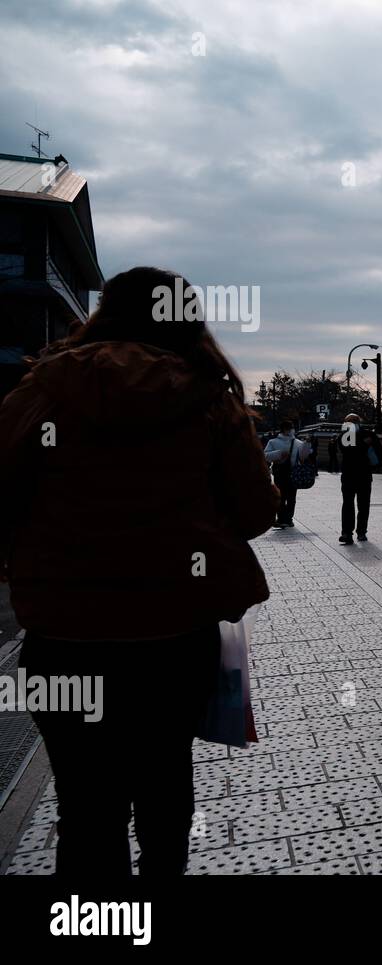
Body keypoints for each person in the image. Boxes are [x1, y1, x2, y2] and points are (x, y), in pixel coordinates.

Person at [0, 266, 278, 876]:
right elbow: (258, 513)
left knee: (86, 807)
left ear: (104, 314)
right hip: (173, 641)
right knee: (163, 787)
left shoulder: (37, 395)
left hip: (63, 642)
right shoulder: (208, 401)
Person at [339, 413, 380, 544]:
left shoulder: (350, 435)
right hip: (361, 474)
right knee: (359, 504)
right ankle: (355, 532)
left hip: (353, 474)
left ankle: (351, 532)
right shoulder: (356, 435)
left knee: (352, 504)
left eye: (352, 421)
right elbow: (349, 451)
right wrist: (364, 444)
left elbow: (378, 453)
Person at [264, 420, 309, 528]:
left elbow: (303, 458)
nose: (292, 430)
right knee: (281, 496)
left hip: (294, 472)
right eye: (290, 428)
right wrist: (279, 454)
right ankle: (282, 518)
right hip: (280, 472)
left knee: (291, 497)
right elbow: (265, 455)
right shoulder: (273, 442)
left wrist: (307, 445)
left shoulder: (298, 442)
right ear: (284, 429)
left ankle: (288, 519)